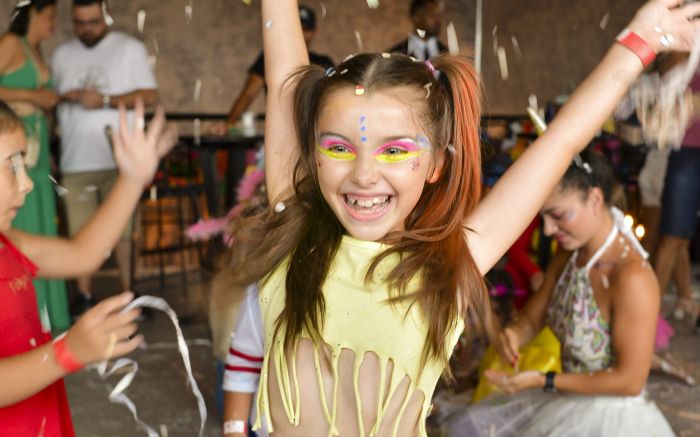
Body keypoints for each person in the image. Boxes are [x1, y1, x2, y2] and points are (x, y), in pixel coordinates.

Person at [225, 0, 700, 435]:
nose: (364, 174)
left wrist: (638, 43)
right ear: (313, 153)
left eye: (394, 150)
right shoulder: (293, 233)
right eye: (338, 147)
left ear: (434, 165)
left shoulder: (446, 266)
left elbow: (560, 142)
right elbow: (285, 69)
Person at [445, 149, 674, 436]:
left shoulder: (632, 276)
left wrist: (545, 381)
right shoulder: (569, 255)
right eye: (544, 218)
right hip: (564, 402)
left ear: (595, 199)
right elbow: (531, 319)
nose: (550, 230)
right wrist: (514, 335)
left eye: (559, 215)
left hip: (613, 417)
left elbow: (629, 381)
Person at [0, 99, 176, 435]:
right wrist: (66, 353)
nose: (28, 182)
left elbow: (83, 254)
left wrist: (132, 179)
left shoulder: (8, 243)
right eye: (11, 166)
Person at [51, 0, 158, 317]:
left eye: (93, 22)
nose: (86, 29)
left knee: (124, 230)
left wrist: (106, 100)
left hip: (119, 157)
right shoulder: (61, 55)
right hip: (74, 158)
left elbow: (150, 96)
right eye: (80, 23)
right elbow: (52, 105)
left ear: (106, 17)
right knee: (79, 231)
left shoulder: (129, 49)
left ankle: (128, 293)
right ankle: (84, 296)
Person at [0, 0, 70, 332]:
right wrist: (31, 98)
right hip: (14, 156)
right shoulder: (10, 44)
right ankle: (22, 311)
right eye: (49, 15)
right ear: (31, 14)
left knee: (43, 222)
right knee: (23, 221)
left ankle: (47, 315)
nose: (53, 21)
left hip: (38, 155)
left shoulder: (36, 50)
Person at [210, 4, 333, 135]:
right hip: (281, 130)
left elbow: (334, 98)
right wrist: (228, 124)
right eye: (297, 28)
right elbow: (248, 94)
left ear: (314, 31)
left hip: (317, 131)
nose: (301, 33)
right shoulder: (271, 57)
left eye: (306, 29)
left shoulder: (324, 62)